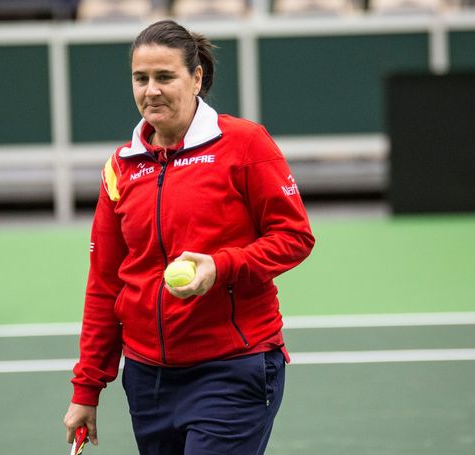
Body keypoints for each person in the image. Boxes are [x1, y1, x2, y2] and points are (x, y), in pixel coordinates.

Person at [63, 19, 315, 455]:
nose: (151, 90)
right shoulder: (120, 168)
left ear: (196, 78)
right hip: (147, 380)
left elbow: (294, 236)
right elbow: (105, 284)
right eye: (141, 79)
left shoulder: (244, 145)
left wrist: (221, 267)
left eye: (165, 77)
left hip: (233, 367)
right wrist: (87, 387)